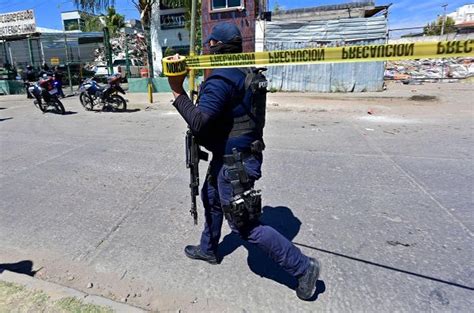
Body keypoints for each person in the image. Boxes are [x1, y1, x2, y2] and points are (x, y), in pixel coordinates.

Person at [167, 22, 321, 301]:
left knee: (245, 226)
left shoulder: (221, 78)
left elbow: (200, 121)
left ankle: (303, 268)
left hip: (234, 163)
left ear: (214, 46)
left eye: (208, 46)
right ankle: (209, 249)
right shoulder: (245, 69)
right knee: (211, 197)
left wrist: (178, 91)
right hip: (235, 155)